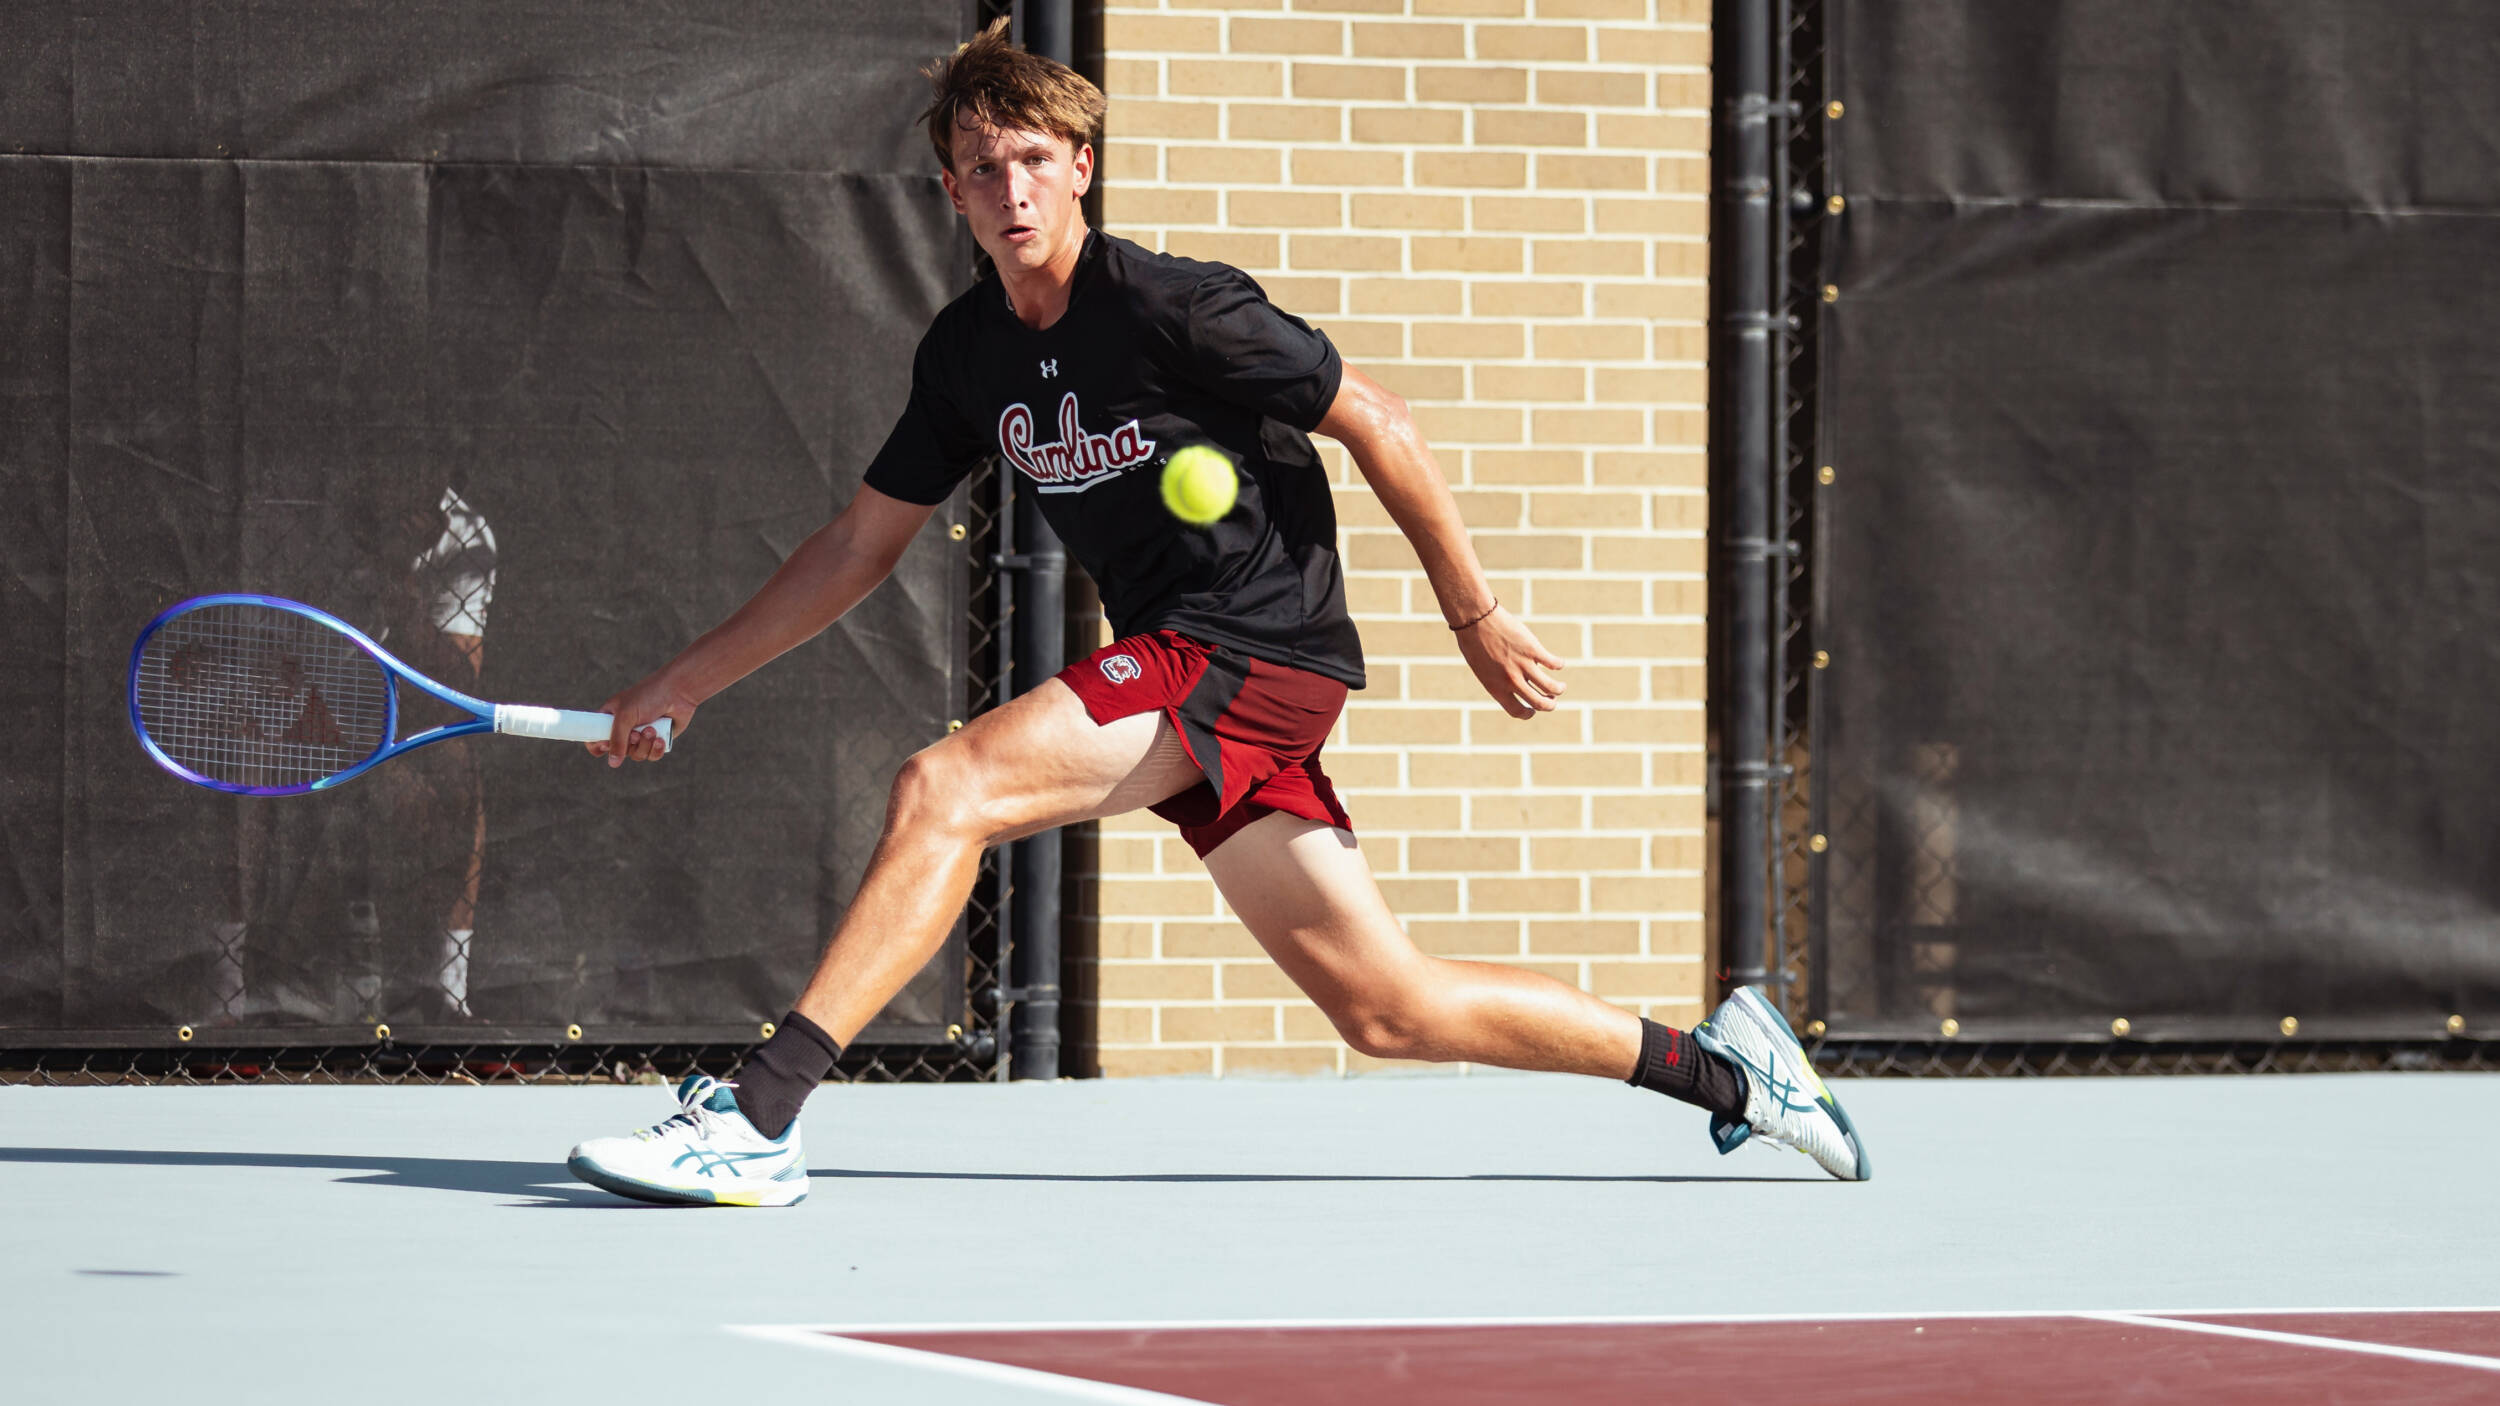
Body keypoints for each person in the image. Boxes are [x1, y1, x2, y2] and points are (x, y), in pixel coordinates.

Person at [563, 20, 1867, 1207]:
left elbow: (1381, 421)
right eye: (978, 168)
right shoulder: (968, 355)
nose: (1008, 190)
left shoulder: (1174, 305)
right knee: (1385, 1006)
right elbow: (858, 542)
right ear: (950, 192)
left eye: (1029, 158)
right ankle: (1735, 1073)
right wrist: (684, 678)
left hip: (1255, 648)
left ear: (1079, 164)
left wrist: (1472, 613)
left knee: (944, 786)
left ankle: (764, 1113)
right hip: (1193, 665)